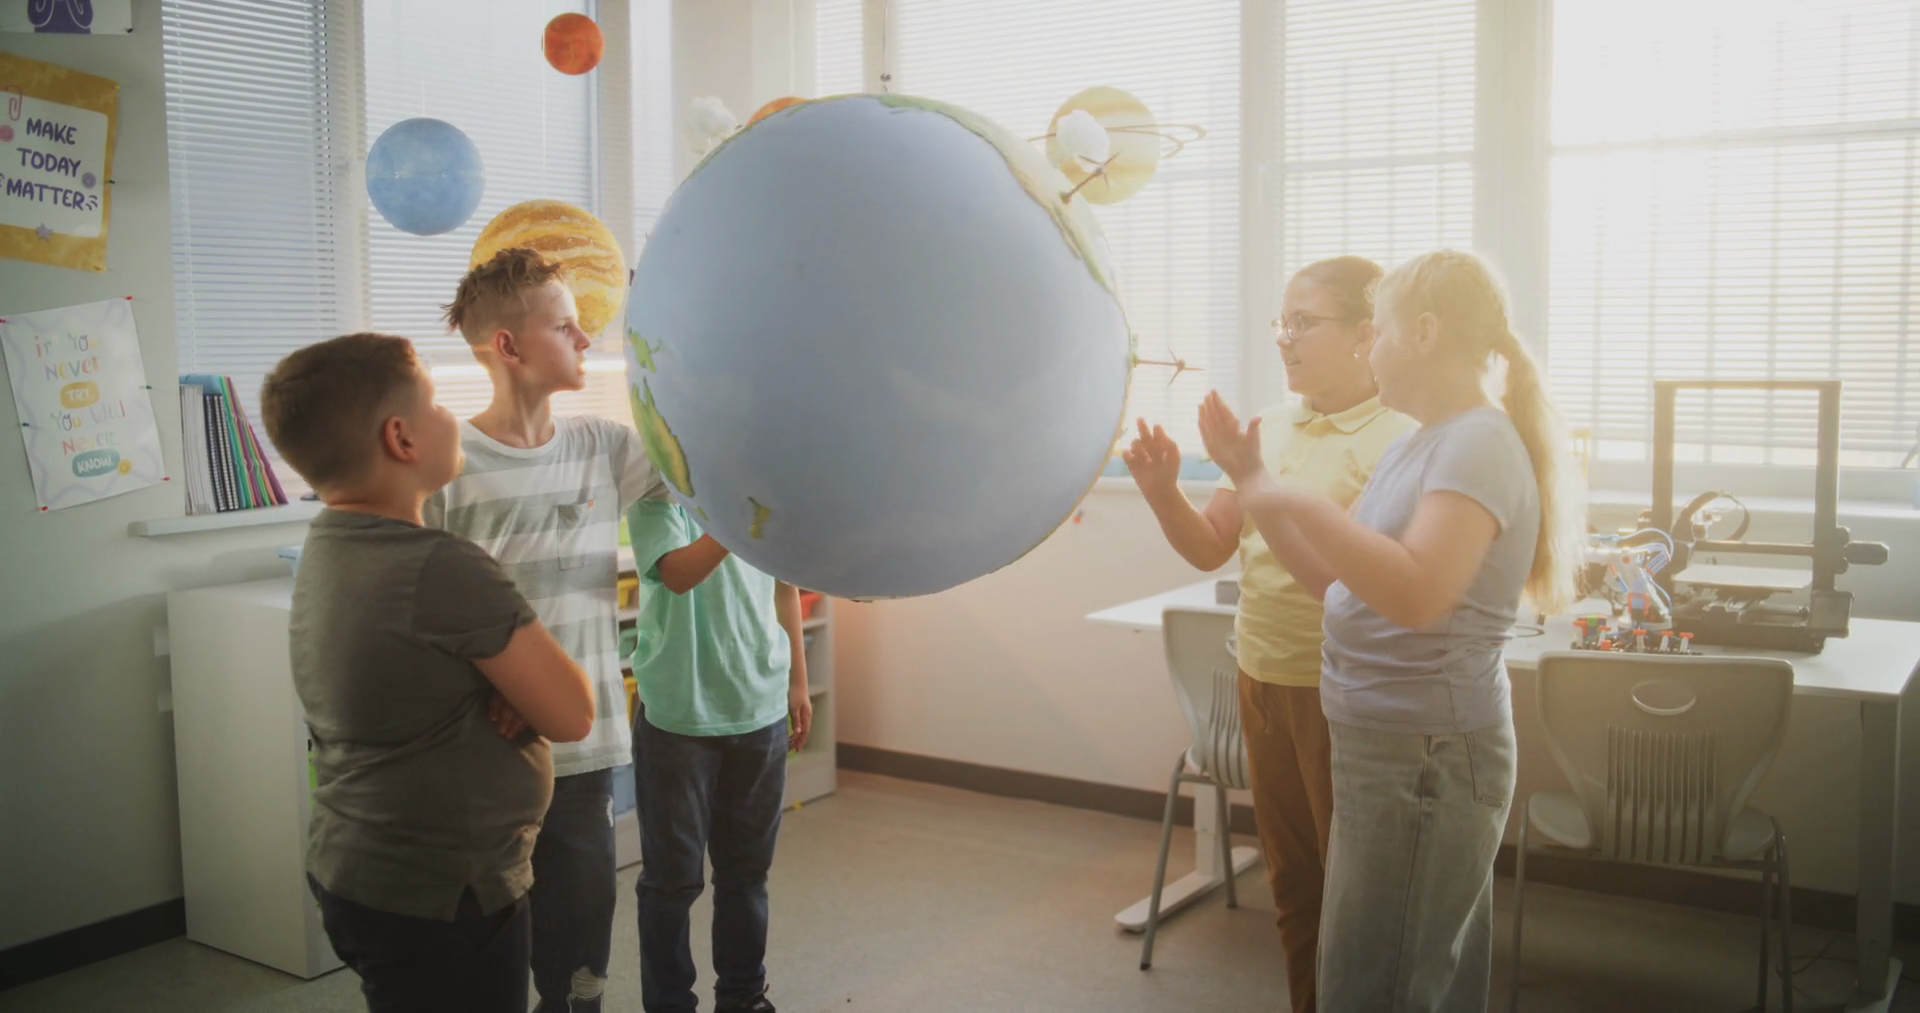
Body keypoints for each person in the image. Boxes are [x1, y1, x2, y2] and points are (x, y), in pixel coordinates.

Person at [1199, 250, 1583, 1012]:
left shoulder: (1478, 441)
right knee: (1388, 968)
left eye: (1379, 331)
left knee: (1379, 981)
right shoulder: (1423, 442)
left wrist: (1290, 496)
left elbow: (1415, 594)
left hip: (1426, 755)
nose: (1368, 349)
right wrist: (1252, 483)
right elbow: (1336, 582)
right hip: (1389, 746)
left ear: (1425, 333)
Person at [261, 332, 595, 1012]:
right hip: (445, 893)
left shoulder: (327, 545)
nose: (452, 415)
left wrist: (511, 684)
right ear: (401, 437)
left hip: (356, 867)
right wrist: (521, 686)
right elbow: (572, 713)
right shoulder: (442, 566)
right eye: (437, 402)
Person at [1123, 256, 1414, 1013]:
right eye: (1281, 323)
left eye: (1303, 323)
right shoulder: (1271, 427)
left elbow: (1347, 585)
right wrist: (1162, 494)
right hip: (1261, 674)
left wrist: (1255, 482)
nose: (1284, 338)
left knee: (1354, 891)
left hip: (1342, 692)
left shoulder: (1401, 439)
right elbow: (1211, 545)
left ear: (1365, 333)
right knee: (1293, 882)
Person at [425, 247, 662, 1013]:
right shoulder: (447, 469)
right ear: (509, 345)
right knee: (489, 942)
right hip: (488, 757)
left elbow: (703, 471)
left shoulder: (605, 447)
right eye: (565, 326)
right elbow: (423, 618)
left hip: (585, 751)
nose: (585, 339)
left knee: (580, 944)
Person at [626, 490, 811, 1013]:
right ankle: (669, 1003)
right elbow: (679, 574)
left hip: (760, 706)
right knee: (671, 882)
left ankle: (743, 995)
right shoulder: (656, 498)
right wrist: (742, 518)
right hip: (679, 715)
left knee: (747, 874)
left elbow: (784, 587)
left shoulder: (757, 498)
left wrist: (798, 680)